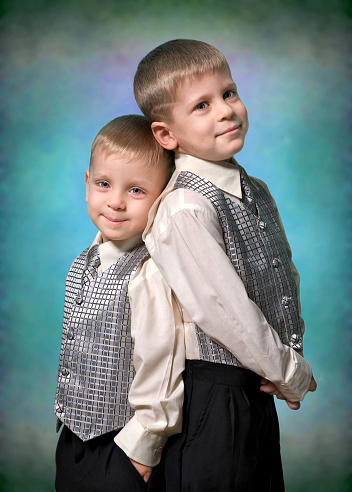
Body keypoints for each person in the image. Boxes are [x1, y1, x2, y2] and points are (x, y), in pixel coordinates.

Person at [133, 39, 317, 491]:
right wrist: (288, 371)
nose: (225, 111)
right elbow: (224, 310)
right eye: (202, 105)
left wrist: (282, 358)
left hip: (255, 384)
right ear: (166, 135)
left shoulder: (254, 188)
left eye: (229, 93)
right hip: (213, 397)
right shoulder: (186, 207)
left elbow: (279, 272)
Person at [54, 114, 186, 492]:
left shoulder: (150, 273)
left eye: (136, 191)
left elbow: (161, 362)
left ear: (161, 198)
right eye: (104, 184)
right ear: (86, 184)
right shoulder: (85, 259)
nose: (115, 202)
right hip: (73, 437)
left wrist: (142, 448)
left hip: (123, 446)